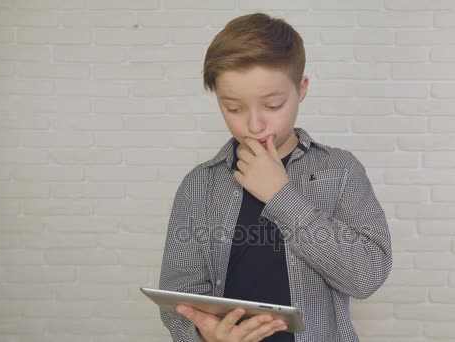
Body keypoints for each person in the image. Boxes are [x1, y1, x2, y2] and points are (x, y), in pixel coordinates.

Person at [158, 12, 392, 342]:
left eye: (272, 105)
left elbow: (367, 276)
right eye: (234, 108)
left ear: (302, 89)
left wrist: (281, 196)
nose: (254, 126)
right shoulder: (199, 185)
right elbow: (179, 292)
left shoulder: (341, 171)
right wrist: (203, 333)